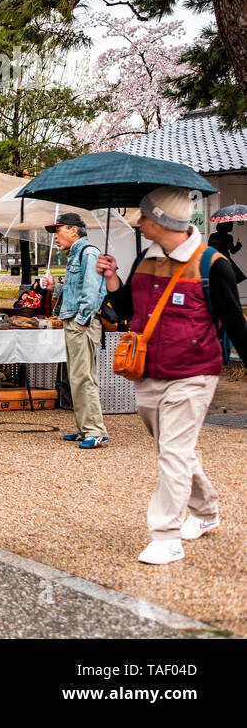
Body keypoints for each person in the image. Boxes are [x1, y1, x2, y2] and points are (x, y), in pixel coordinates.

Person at [96, 186, 247, 565]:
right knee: (171, 449)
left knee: (175, 451)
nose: (139, 221)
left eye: (144, 215)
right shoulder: (145, 258)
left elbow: (236, 326)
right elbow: (129, 308)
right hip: (148, 371)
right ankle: (207, 512)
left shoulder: (213, 265)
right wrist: (113, 279)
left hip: (195, 374)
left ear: (161, 219)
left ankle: (166, 536)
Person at [49, 212, 109, 449]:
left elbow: (94, 291)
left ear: (74, 230)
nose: (56, 236)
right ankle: (85, 429)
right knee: (77, 376)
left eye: (59, 230)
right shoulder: (76, 255)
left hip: (81, 323)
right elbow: (77, 289)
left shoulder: (88, 253)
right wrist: (55, 287)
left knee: (83, 377)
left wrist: (82, 320)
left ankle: (95, 431)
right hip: (74, 321)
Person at [207, 221, 245, 364]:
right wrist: (239, 243)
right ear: (228, 227)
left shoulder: (212, 235)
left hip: (213, 261)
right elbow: (233, 250)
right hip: (225, 262)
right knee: (230, 287)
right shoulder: (228, 237)